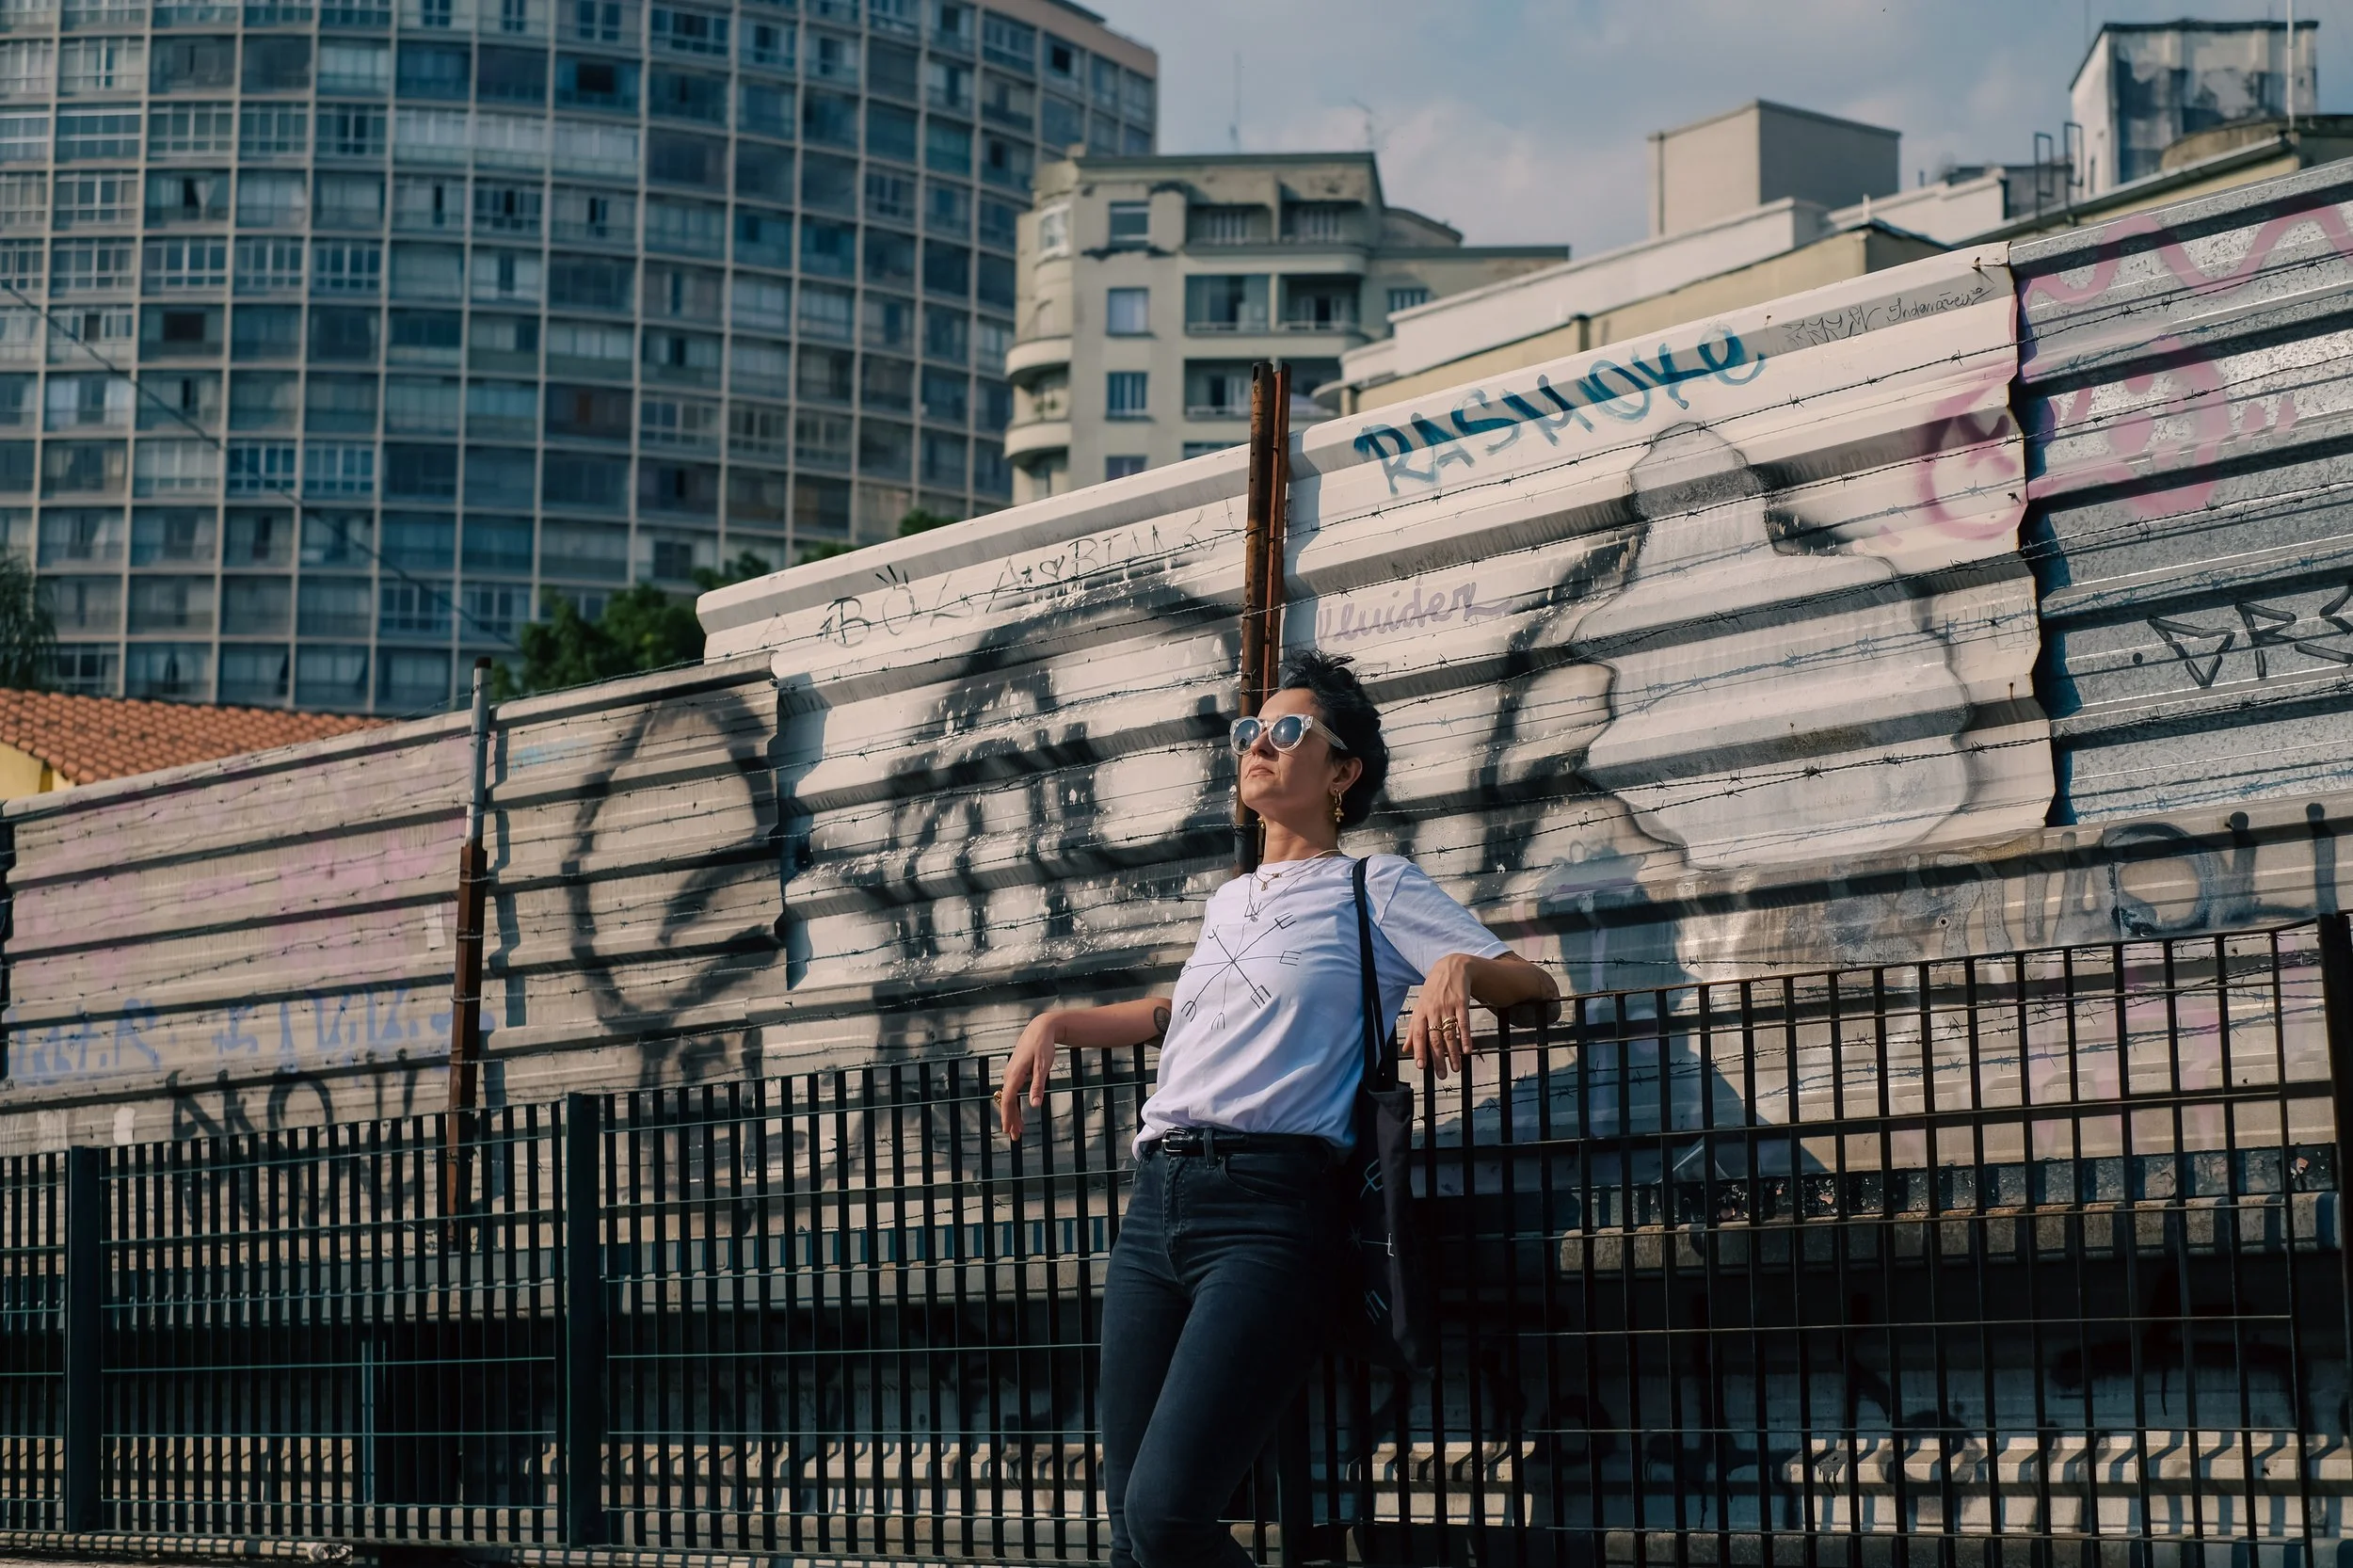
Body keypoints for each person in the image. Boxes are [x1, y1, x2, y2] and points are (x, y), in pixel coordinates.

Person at [997, 650, 1561, 1568]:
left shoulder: (1374, 886)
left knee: (1169, 1516)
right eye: (1249, 731)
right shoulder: (1230, 901)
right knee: (1131, 1529)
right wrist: (1057, 1020)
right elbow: (1182, 1015)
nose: (1258, 744)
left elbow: (1537, 992)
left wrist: (1459, 964)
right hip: (1156, 1209)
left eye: (1289, 730)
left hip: (1268, 1213)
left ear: (1343, 771)